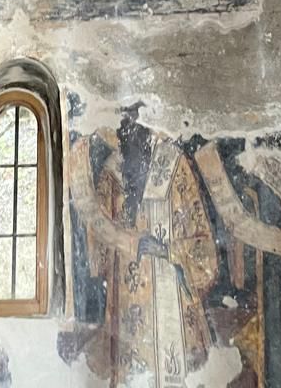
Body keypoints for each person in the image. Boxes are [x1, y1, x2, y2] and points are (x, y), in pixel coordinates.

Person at [69, 104, 218, 385]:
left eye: (135, 126)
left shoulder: (175, 166)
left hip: (172, 301)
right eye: (124, 127)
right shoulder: (113, 171)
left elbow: (202, 242)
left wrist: (168, 251)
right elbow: (97, 235)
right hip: (129, 307)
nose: (128, 134)